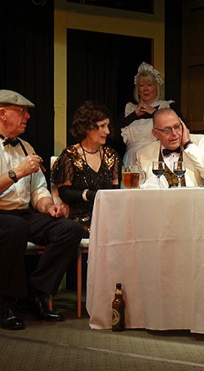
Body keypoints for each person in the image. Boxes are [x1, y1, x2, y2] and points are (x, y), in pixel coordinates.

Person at [0, 89, 83, 331]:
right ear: (2, 113)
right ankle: (6, 303)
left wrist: (49, 206)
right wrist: (17, 172)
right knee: (16, 227)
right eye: (21, 111)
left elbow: (37, 190)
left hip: (22, 214)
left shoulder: (26, 146)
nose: (27, 117)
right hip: (5, 217)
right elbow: (20, 176)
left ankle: (36, 293)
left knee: (70, 229)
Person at [51, 101, 120, 235]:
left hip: (107, 217)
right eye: (102, 126)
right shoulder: (70, 155)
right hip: (79, 219)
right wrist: (88, 195)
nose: (107, 131)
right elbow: (64, 193)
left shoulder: (111, 155)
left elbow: (115, 191)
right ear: (87, 127)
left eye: (107, 125)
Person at [136, 108, 204, 187]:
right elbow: (139, 189)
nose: (174, 134)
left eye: (177, 127)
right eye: (167, 130)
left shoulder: (200, 142)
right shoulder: (143, 154)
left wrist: (188, 144)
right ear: (155, 133)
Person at [116, 62, 176, 166]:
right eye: (141, 85)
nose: (145, 89)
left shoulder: (165, 106)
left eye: (149, 85)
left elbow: (177, 128)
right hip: (132, 160)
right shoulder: (129, 109)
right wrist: (134, 115)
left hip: (156, 158)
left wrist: (154, 113)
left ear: (156, 88)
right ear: (138, 90)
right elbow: (113, 131)